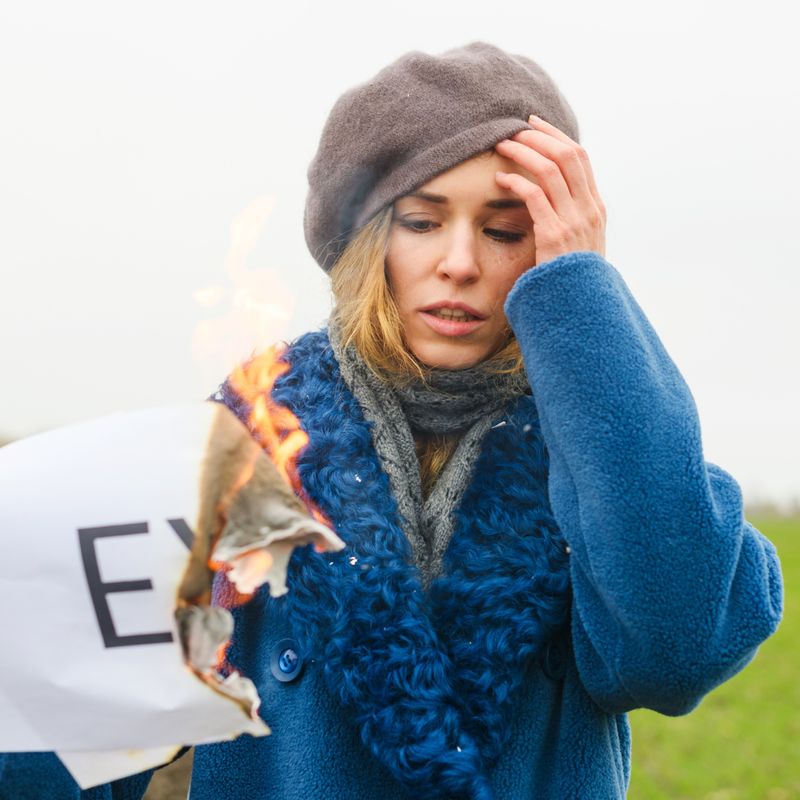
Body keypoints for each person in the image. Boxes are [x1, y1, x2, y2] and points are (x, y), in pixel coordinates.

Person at [0, 40, 783, 800]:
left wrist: (583, 297)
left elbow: (674, 653)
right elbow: (66, 737)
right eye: (421, 220)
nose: (461, 262)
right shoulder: (244, 440)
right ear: (364, 239)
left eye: (507, 228)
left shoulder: (602, 445)